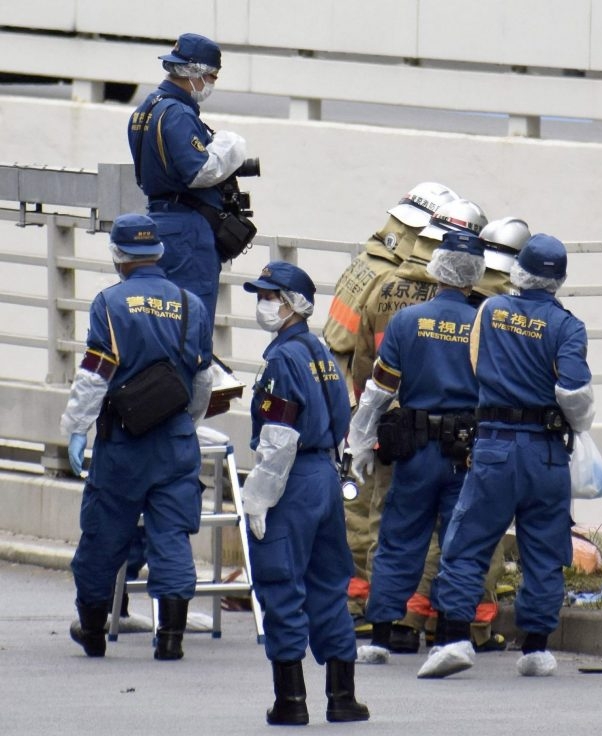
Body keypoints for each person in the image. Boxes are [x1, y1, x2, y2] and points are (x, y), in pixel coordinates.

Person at [419, 233, 595, 679]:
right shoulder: (568, 326)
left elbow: (476, 365)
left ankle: (455, 635)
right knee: (544, 549)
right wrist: (576, 423)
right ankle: (535, 647)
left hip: (495, 445)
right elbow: (573, 392)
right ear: (559, 280)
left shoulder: (491, 311)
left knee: (468, 541)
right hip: (547, 452)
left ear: (520, 270)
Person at [60, 213, 213, 660]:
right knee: (171, 536)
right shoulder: (191, 304)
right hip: (175, 442)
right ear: (160, 252)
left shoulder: (109, 304)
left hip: (123, 445)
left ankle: (92, 631)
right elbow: (202, 379)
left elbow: (94, 376)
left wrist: (75, 429)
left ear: (117, 255)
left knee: (104, 537)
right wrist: (188, 420)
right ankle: (170, 638)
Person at [347, 197, 488, 653]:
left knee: (399, 537)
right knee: (460, 542)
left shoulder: (408, 321)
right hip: (467, 453)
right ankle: (452, 635)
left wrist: (361, 443)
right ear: (475, 274)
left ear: (438, 267)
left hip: (414, 449)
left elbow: (378, 390)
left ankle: (384, 634)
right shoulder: (486, 325)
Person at [388, 216, 533, 653]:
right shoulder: (499, 311)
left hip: (415, 439)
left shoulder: (405, 299)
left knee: (408, 535)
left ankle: (404, 621)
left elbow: (378, 375)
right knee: (469, 536)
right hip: (476, 443)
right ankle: (468, 628)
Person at [324, 183, 458, 631]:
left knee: (368, 512)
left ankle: (365, 602)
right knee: (404, 519)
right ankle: (410, 612)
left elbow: (359, 350)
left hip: (360, 402)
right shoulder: (438, 293)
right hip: (407, 417)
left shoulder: (369, 270)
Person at [241, 261, 369, 725]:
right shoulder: (321, 353)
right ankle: (343, 697)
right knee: (329, 585)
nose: (263, 304)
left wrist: (259, 495)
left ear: (293, 304)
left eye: (271, 296)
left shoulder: (281, 360)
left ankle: (291, 702)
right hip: (325, 478)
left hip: (292, 479)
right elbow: (343, 423)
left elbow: (278, 437)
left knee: (281, 582)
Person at [127, 32, 249, 331]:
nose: (211, 84)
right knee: (193, 320)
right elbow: (198, 171)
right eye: (212, 77)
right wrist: (228, 147)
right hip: (187, 230)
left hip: (158, 220)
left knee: (162, 319)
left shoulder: (145, 110)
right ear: (195, 73)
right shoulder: (178, 113)